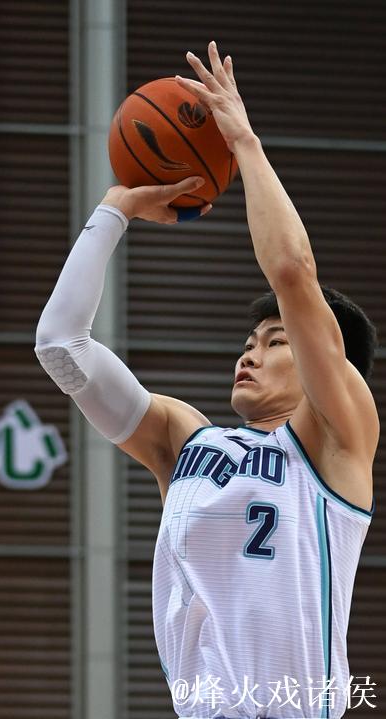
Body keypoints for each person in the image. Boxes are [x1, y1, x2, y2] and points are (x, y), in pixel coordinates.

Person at [35, 41, 379, 719]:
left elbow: (292, 273)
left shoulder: (338, 437)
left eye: (275, 341)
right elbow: (60, 345)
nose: (249, 354)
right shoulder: (186, 441)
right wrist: (115, 208)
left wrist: (243, 142)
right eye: (248, 342)